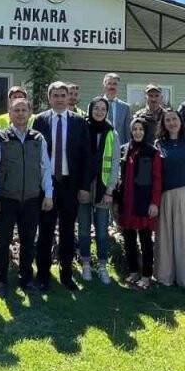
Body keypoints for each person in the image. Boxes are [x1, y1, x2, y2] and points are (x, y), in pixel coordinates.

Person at [0, 97, 54, 298]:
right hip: (6, 198)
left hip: (32, 198)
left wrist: (48, 194)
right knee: (3, 241)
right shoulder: (0, 137)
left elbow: (45, 168)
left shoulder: (38, 138)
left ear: (30, 113)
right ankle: (0, 280)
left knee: (28, 241)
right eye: (16, 110)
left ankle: (26, 279)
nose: (20, 113)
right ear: (10, 113)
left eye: (24, 110)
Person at [32, 82, 92, 291]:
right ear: (49, 98)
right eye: (55, 95)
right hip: (46, 184)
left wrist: (84, 187)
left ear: (69, 98)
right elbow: (34, 154)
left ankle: (66, 274)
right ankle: (43, 275)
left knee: (67, 231)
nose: (59, 99)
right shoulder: (40, 120)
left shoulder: (79, 122)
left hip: (70, 184)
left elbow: (86, 156)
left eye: (62, 95)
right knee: (45, 230)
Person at [155, 110, 185, 290]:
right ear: (163, 124)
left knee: (184, 237)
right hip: (164, 195)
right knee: (165, 237)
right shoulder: (159, 144)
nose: (171, 123)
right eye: (167, 120)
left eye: (174, 119)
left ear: (180, 121)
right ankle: (165, 278)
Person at [115, 117, 161, 290]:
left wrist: (154, 203)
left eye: (141, 129)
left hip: (143, 201)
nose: (137, 132)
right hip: (126, 201)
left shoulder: (152, 152)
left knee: (145, 240)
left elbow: (157, 179)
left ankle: (147, 276)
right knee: (128, 239)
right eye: (134, 129)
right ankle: (133, 271)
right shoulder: (124, 150)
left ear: (146, 131)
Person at [78, 98, 120, 284]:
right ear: (90, 109)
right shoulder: (81, 129)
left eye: (103, 109)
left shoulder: (112, 133)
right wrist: (80, 187)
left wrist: (110, 190)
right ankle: (86, 264)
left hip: (104, 187)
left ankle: (102, 266)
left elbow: (115, 164)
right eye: (96, 108)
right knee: (83, 229)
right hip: (84, 187)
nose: (99, 111)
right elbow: (76, 160)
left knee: (102, 230)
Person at [100, 72, 131, 145]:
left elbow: (127, 133)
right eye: (109, 83)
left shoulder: (125, 107)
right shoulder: (95, 105)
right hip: (100, 147)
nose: (112, 86)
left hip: (119, 147)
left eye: (115, 84)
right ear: (104, 85)